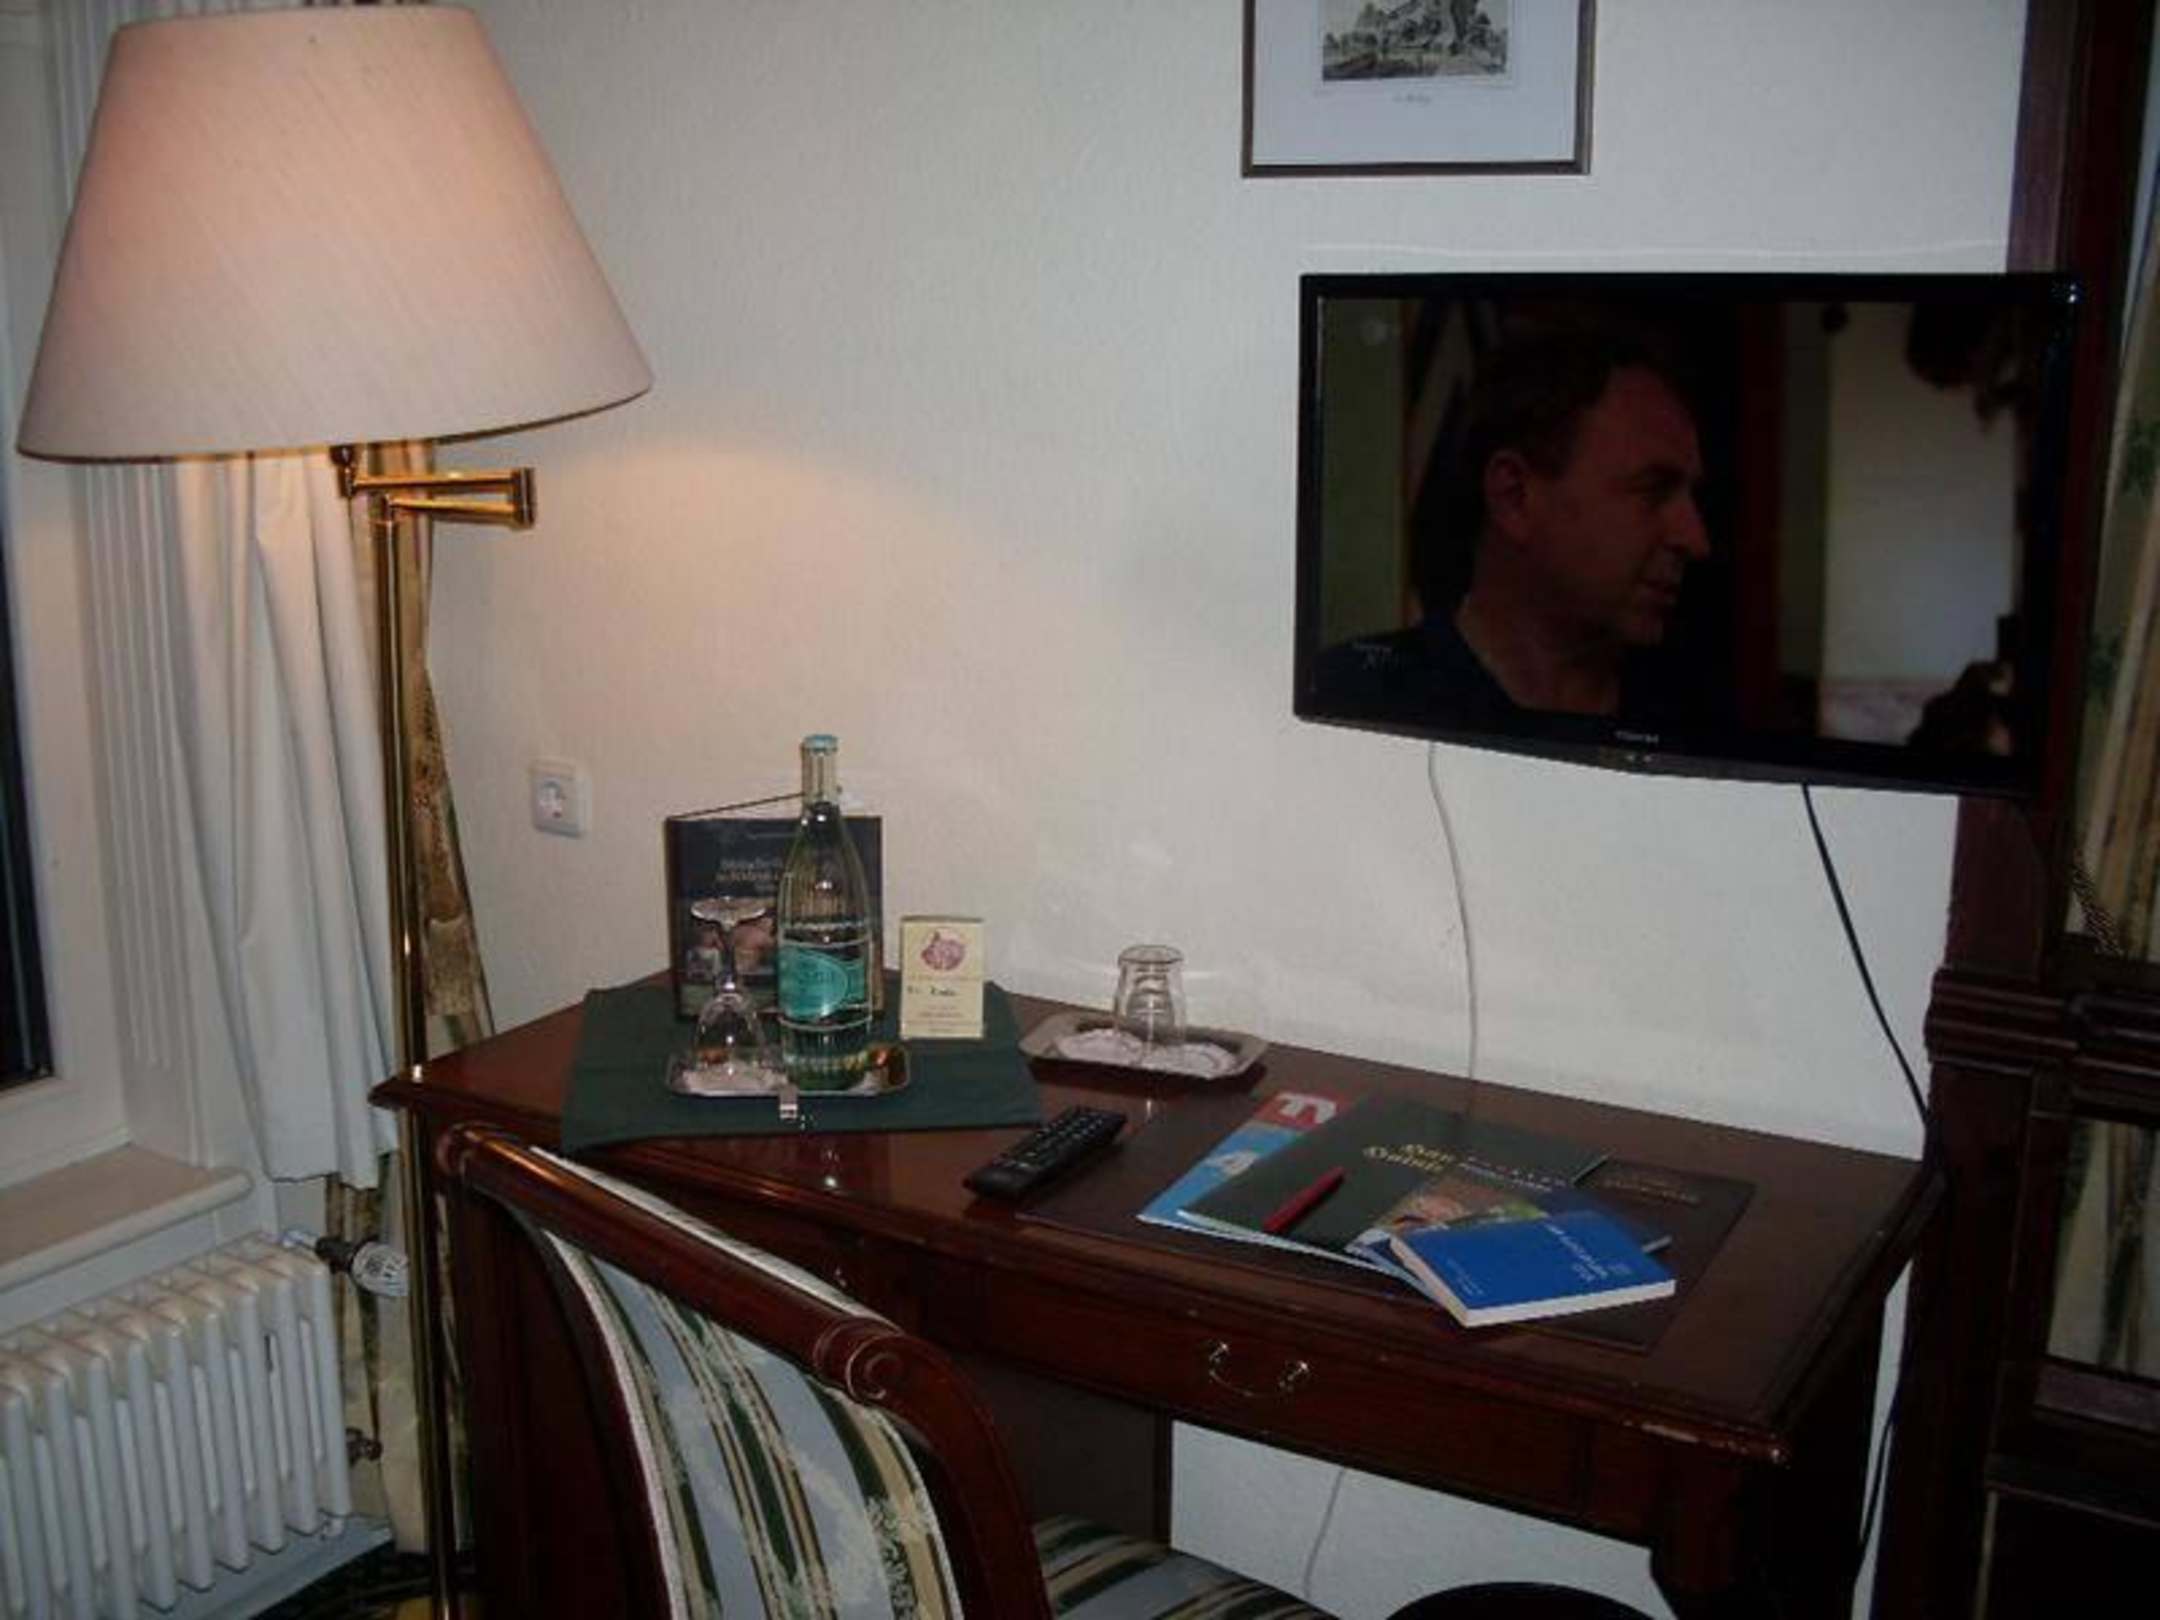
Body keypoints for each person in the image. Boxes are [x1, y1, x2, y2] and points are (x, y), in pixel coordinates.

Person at [1319, 329, 1713, 728]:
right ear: (1514, 497)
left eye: (1691, 497)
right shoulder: (1353, 700)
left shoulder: (1693, 727)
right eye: (1652, 489)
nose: (1696, 540)